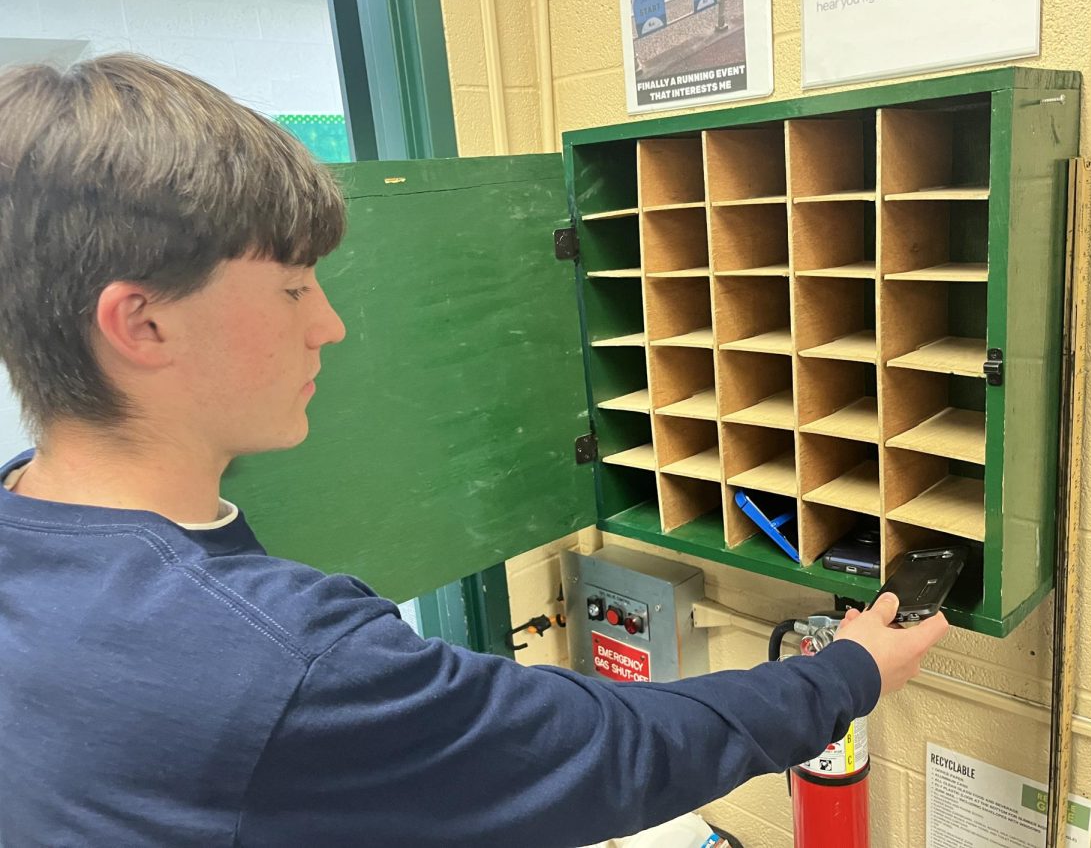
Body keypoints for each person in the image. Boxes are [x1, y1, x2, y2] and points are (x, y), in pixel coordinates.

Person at [0, 54, 948, 847]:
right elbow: (615, 752)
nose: (327, 325)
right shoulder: (284, 658)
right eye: (292, 289)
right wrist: (849, 671)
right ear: (144, 322)